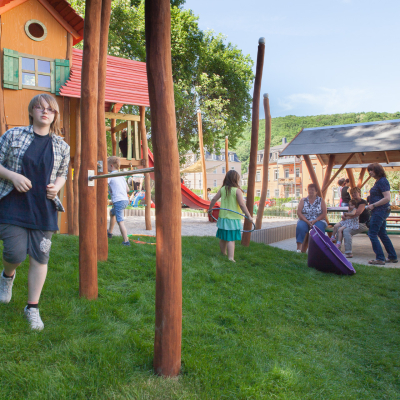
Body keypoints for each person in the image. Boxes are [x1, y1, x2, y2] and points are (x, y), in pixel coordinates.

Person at [0, 94, 70, 330]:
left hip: (44, 209)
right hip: (13, 205)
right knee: (15, 254)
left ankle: (32, 307)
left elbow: (63, 172)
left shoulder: (62, 145)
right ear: (31, 111)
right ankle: (7, 276)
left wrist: (57, 187)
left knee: (40, 258)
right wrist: (13, 176)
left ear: (55, 115)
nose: (44, 111)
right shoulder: (13, 135)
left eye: (49, 109)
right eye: (39, 108)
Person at [208, 170, 253, 262]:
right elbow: (242, 205)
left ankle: (223, 253)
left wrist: (210, 209)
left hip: (223, 218)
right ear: (236, 179)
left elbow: (213, 199)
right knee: (231, 239)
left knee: (223, 237)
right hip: (233, 218)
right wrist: (249, 216)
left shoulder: (223, 189)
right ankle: (230, 258)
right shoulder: (237, 190)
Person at [365, 163, 397, 265]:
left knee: (372, 233)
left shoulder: (382, 181)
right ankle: (392, 257)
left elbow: (387, 198)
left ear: (378, 170)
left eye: (372, 170)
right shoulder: (378, 181)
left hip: (380, 211)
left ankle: (380, 258)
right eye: (369, 170)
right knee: (382, 234)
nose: (370, 172)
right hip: (379, 211)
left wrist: (373, 205)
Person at [296, 183, 327, 253]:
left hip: (318, 220)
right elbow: (299, 212)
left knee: (318, 227)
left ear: (316, 191)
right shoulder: (303, 200)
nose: (311, 191)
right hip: (305, 219)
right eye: (309, 190)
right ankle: (298, 248)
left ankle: (318, 249)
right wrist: (306, 221)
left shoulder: (321, 200)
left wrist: (315, 220)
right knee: (300, 226)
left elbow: (324, 213)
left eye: (312, 190)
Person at [340, 187, 370, 258]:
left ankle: (348, 253)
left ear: (359, 193)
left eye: (355, 193)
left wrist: (346, 217)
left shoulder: (363, 202)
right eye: (352, 193)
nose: (353, 194)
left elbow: (357, 213)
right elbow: (349, 212)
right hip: (352, 222)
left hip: (362, 224)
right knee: (339, 228)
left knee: (347, 231)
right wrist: (344, 217)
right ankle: (337, 249)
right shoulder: (352, 202)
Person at [106, 156, 130, 246]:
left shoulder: (111, 175)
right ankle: (110, 232)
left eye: (107, 166)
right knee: (112, 213)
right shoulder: (121, 176)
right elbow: (127, 189)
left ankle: (126, 241)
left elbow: (104, 183)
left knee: (120, 221)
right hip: (125, 200)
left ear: (111, 166)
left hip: (118, 201)